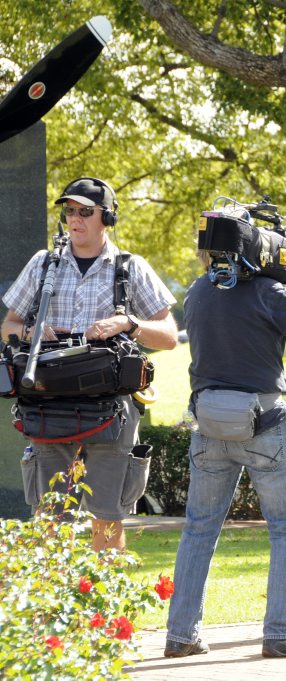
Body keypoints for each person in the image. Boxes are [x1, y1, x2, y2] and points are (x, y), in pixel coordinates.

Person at [163, 244, 286, 659]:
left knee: (198, 530)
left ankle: (180, 635)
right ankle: (278, 634)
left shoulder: (198, 291)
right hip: (264, 425)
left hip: (208, 424)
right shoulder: (266, 292)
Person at [2, 176, 177, 551]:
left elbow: (168, 335)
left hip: (111, 410)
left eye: (85, 211)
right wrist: (35, 331)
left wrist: (128, 323)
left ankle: (102, 608)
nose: (75, 219)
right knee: (50, 517)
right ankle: (52, 608)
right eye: (69, 211)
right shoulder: (42, 264)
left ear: (107, 219)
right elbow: (9, 328)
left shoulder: (131, 267)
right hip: (48, 407)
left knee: (107, 519)